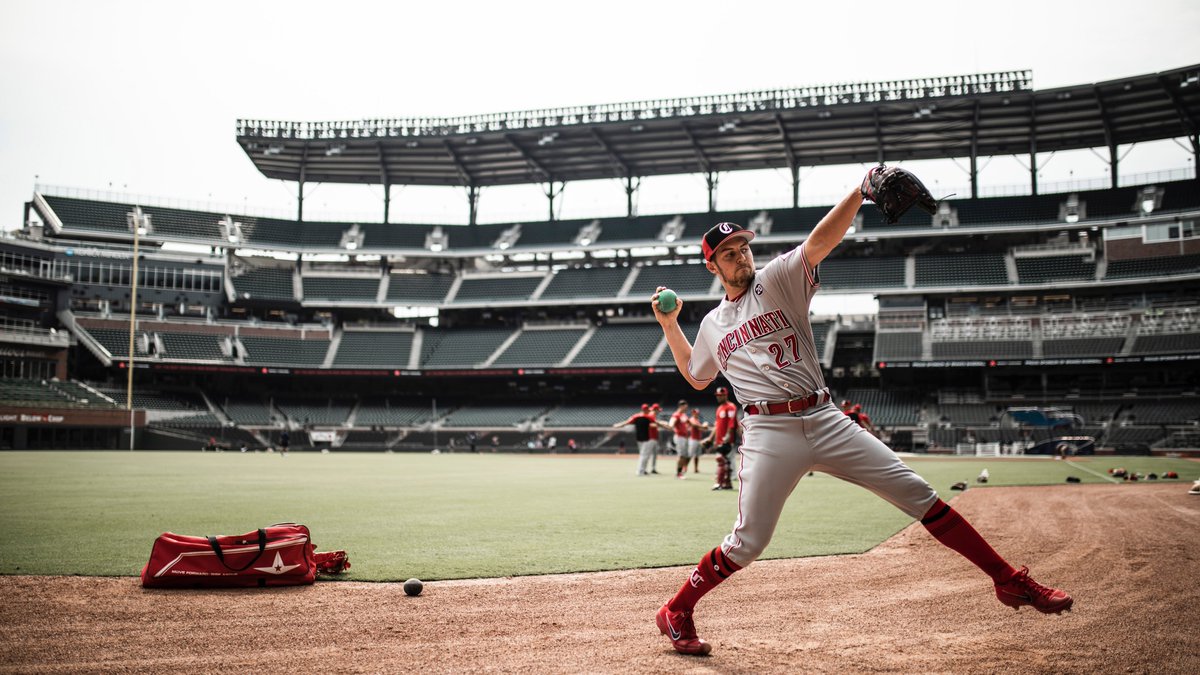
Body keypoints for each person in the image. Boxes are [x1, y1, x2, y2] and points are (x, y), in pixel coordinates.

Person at [648, 175, 1073, 656]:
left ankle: (1009, 579)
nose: (741, 257)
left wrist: (859, 192)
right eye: (729, 253)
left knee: (919, 494)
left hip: (825, 417)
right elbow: (696, 375)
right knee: (748, 542)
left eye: (744, 247)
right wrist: (669, 323)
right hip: (769, 431)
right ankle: (676, 610)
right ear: (712, 265)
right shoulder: (711, 324)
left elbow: (818, 242)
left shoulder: (777, 279)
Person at [612, 404, 669, 476]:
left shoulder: (637, 416)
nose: (648, 410)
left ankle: (642, 470)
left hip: (640, 438)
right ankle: (640, 471)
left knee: (643, 455)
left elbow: (627, 422)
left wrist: (617, 425)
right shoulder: (648, 417)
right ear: (645, 410)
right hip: (648, 438)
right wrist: (666, 426)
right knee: (644, 455)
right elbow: (656, 424)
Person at [701, 387, 739, 491]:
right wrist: (710, 438)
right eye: (717, 395)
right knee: (726, 461)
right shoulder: (719, 408)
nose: (718, 397)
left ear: (726, 395)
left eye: (720, 395)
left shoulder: (731, 407)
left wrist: (727, 436)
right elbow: (717, 426)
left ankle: (719, 483)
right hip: (719, 439)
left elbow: (732, 423)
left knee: (721, 460)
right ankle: (727, 484)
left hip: (727, 440)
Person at [669, 400, 692, 479]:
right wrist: (671, 426)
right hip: (679, 437)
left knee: (686, 455)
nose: (686, 409)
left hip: (685, 437)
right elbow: (672, 423)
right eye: (685, 407)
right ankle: (678, 473)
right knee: (681, 455)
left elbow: (689, 423)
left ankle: (681, 470)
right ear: (681, 406)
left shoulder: (683, 415)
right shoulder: (676, 414)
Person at [687, 409, 708, 474]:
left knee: (696, 456)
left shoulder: (697, 420)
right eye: (695, 413)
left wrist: (704, 427)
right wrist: (703, 426)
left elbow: (699, 428)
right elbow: (694, 425)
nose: (696, 414)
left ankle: (696, 469)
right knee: (690, 455)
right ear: (693, 413)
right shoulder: (692, 419)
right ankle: (684, 467)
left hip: (698, 439)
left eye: (697, 413)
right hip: (693, 440)